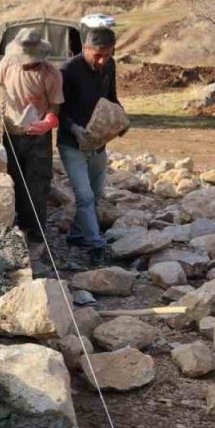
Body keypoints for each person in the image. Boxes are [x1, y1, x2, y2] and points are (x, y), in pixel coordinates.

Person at [0, 28, 63, 249]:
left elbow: (55, 106)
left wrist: (48, 122)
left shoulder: (50, 74)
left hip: (38, 137)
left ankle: (37, 234)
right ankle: (19, 225)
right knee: (15, 181)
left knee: (37, 183)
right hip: (11, 134)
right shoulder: (8, 64)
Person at [59, 27, 121, 267]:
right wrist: (73, 127)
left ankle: (76, 234)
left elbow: (111, 98)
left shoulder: (110, 66)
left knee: (95, 194)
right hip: (71, 143)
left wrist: (120, 119)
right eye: (98, 55)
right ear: (85, 48)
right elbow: (57, 109)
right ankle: (96, 245)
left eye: (108, 54)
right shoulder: (68, 70)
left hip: (98, 141)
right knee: (84, 196)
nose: (103, 60)